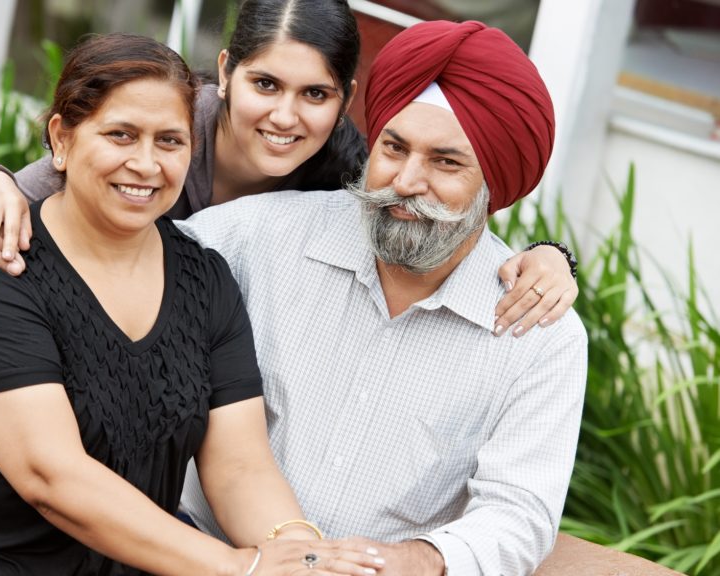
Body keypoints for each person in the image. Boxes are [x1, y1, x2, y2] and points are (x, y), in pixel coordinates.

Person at [0, 34, 384, 576]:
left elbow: (240, 464)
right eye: (121, 135)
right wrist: (238, 566)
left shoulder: (207, 282)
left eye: (170, 141)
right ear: (61, 139)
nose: (146, 163)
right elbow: (51, 475)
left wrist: (300, 554)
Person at [176, 20, 587, 576]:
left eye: (445, 162)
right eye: (394, 148)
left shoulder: (539, 337)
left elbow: (519, 514)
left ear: (494, 183)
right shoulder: (250, 239)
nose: (407, 180)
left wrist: (416, 561)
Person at [0, 0, 578, 335]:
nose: (285, 117)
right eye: (266, 85)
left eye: (313, 95)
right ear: (227, 71)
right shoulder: (163, 135)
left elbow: (429, 231)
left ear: (345, 100)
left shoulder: (342, 178)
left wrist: (548, 255)